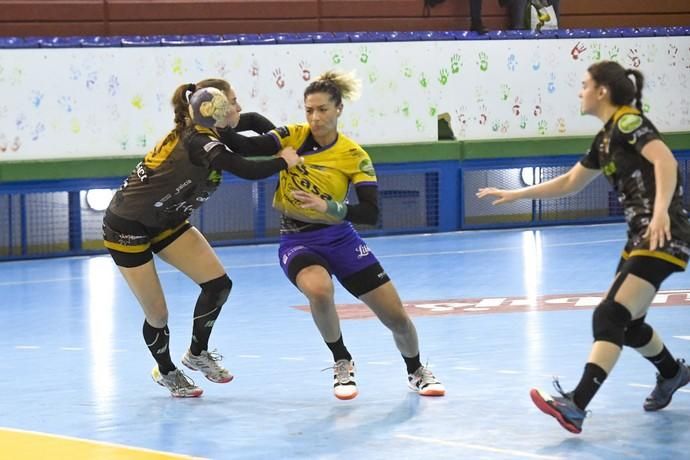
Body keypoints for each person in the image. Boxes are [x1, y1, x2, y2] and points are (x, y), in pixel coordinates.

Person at [477, 60, 690, 433]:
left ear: (602, 91)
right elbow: (571, 183)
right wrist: (514, 194)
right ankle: (672, 374)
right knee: (630, 323)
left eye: (584, 84)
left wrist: (660, 215)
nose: (580, 91)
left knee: (609, 316)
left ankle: (576, 403)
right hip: (641, 238)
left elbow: (666, 161)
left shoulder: (629, 122)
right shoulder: (605, 138)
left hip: (661, 234)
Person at [221, 70, 445, 400]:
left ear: (338, 109)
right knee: (320, 291)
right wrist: (220, 115)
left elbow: (371, 213)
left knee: (397, 319)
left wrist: (328, 207)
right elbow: (244, 142)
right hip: (297, 240)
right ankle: (342, 360)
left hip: (342, 239)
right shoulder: (293, 136)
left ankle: (416, 370)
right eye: (309, 110)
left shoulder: (354, 155)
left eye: (322, 109)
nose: (314, 117)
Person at [102, 79, 301, 397]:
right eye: (233, 102)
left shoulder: (213, 128)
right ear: (214, 109)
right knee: (158, 314)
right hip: (128, 225)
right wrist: (284, 161)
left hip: (166, 220)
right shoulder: (199, 140)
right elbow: (244, 168)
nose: (238, 107)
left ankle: (197, 353)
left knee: (218, 284)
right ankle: (167, 371)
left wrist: (282, 140)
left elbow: (254, 128)